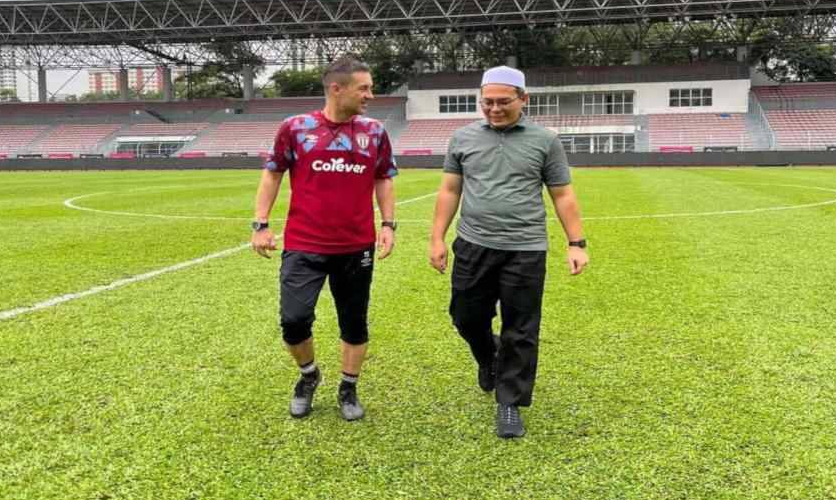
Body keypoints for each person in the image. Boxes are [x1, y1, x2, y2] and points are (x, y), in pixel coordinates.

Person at [428, 65, 589, 439]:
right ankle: (489, 358)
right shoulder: (463, 138)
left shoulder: (545, 141)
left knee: (521, 327)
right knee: (465, 317)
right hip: (473, 244)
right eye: (487, 102)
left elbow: (562, 194)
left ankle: (510, 403)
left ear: (523, 99)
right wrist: (437, 238)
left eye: (503, 102)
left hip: (525, 249)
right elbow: (450, 190)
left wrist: (576, 243)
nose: (494, 109)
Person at [252, 54, 398, 421]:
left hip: (356, 246)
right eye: (364, 88)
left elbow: (383, 177)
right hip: (304, 244)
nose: (370, 95)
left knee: (354, 322)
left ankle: (348, 387)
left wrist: (388, 224)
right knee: (293, 320)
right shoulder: (295, 128)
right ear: (337, 89)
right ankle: (308, 375)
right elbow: (273, 173)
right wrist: (261, 224)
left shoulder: (374, 132)